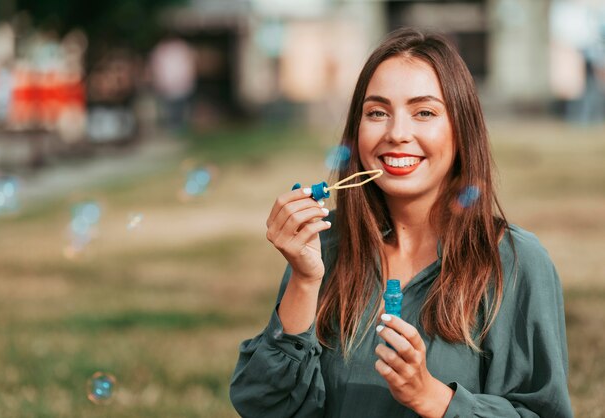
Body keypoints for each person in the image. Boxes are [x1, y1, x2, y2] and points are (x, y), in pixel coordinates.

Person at [229, 28, 573, 418]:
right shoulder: (325, 247)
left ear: (462, 129)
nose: (396, 134)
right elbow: (263, 406)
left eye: (424, 112)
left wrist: (434, 398)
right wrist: (305, 281)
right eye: (377, 112)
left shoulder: (515, 263)